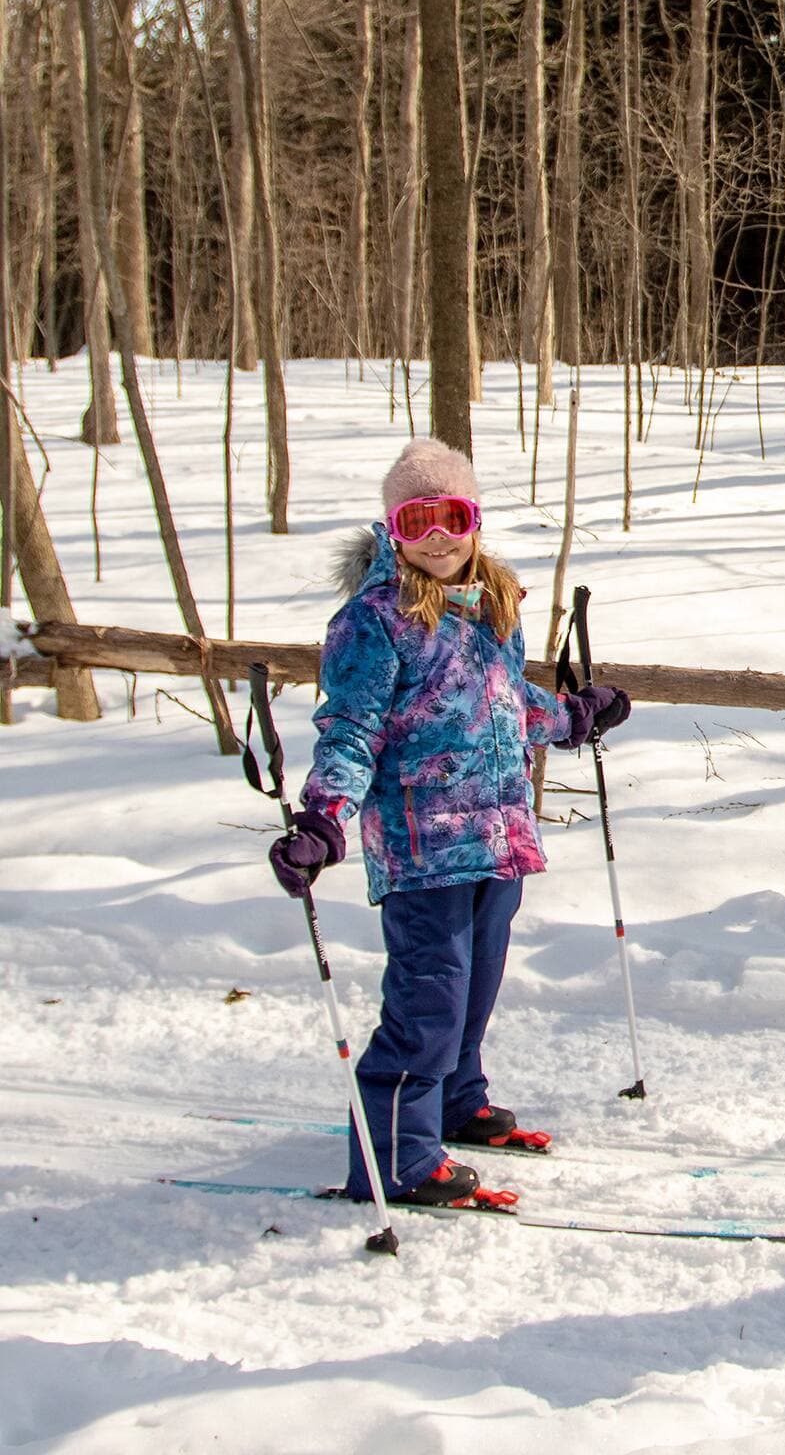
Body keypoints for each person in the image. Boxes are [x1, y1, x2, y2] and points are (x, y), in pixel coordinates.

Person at [268, 438, 631, 1207]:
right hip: (422, 846)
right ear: (392, 530)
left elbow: (502, 706)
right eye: (415, 519)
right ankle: (396, 1157)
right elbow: (351, 729)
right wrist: (324, 820)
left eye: (451, 514)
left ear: (474, 518)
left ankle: (458, 1104)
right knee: (426, 1002)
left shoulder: (493, 602)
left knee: (473, 992)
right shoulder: (373, 620)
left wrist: (570, 717)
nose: (437, 534)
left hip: (497, 838)